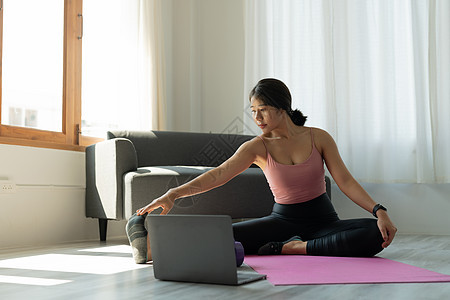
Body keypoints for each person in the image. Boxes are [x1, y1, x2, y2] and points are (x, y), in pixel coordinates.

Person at [126, 78, 397, 263]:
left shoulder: (318, 137)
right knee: (226, 236)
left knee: (375, 233)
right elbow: (219, 174)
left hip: (325, 222)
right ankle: (150, 246)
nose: (256, 118)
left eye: (263, 110)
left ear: (283, 108)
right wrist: (174, 193)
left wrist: (379, 211)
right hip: (281, 223)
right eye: (253, 111)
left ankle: (296, 248)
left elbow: (345, 180)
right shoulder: (257, 147)